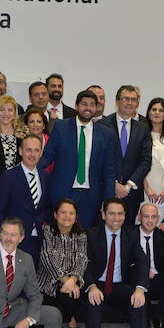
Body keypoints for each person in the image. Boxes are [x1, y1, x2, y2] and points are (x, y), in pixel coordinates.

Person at [83, 199, 150, 328]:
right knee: (93, 303)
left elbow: (143, 261)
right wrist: (90, 286)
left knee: (139, 302)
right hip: (98, 284)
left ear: (125, 216)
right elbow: (83, 264)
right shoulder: (91, 234)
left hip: (120, 286)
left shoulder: (131, 235)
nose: (116, 218)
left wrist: (140, 288)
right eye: (111, 213)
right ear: (103, 214)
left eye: (120, 214)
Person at [39, 90, 115, 229]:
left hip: (91, 196)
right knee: (60, 236)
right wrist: (27, 168)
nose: (88, 108)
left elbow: (109, 170)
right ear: (76, 106)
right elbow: (48, 156)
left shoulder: (105, 133)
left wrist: (108, 201)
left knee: (86, 237)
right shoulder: (60, 127)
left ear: (96, 108)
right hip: (63, 193)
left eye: (92, 104)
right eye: (84, 104)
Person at [36, 198, 88, 328]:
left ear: (76, 216)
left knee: (73, 297)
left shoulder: (81, 235)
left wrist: (72, 280)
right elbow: (47, 257)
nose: (67, 216)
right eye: (63, 212)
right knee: (50, 305)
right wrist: (64, 280)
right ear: (55, 215)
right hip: (48, 281)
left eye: (71, 213)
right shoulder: (47, 231)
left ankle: (69, 316)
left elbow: (82, 259)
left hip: (71, 282)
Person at [98, 85, 152, 226]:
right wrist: (114, 184)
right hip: (107, 191)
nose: (129, 103)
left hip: (132, 194)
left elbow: (146, 161)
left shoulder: (143, 128)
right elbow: (98, 159)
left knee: (128, 235)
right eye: (126, 99)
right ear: (117, 102)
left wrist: (127, 186)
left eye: (133, 100)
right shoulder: (102, 125)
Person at [0, 134, 51, 263]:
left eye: (36, 150)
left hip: (39, 241)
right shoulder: (8, 177)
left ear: (41, 152)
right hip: (14, 241)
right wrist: (0, 243)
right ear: (20, 151)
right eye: (28, 150)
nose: (32, 154)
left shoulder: (46, 177)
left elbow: (46, 208)